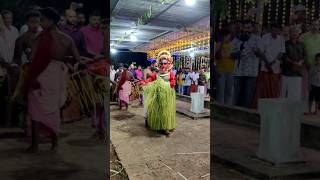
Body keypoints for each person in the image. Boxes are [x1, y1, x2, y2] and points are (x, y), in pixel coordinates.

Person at [26, 7, 80, 153]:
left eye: (42, 20)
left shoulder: (40, 37)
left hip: (42, 75)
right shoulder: (66, 39)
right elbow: (78, 59)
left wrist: (30, 76)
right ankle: (53, 144)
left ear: (51, 21)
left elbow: (32, 58)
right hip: (56, 76)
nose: (40, 23)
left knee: (37, 111)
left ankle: (36, 145)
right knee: (53, 111)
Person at [139, 50, 176, 136]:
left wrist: (166, 84)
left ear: (168, 64)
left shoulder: (170, 74)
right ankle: (154, 123)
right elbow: (150, 79)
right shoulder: (156, 73)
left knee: (165, 111)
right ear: (159, 64)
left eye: (165, 63)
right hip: (157, 96)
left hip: (167, 97)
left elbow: (173, 83)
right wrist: (144, 82)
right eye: (162, 63)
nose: (163, 65)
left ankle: (165, 127)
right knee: (155, 110)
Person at [253, 24, 285, 108]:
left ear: (278, 30)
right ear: (270, 29)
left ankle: (271, 107)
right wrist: (267, 63)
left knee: (273, 89)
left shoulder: (281, 39)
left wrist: (272, 62)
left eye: (276, 30)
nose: (274, 32)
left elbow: (281, 53)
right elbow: (260, 51)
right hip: (265, 68)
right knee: (262, 89)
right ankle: (260, 107)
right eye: (273, 30)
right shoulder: (265, 37)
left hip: (275, 68)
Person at [231, 20, 260, 108]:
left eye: (249, 27)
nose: (247, 30)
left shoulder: (257, 39)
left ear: (252, 28)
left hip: (251, 72)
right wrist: (238, 53)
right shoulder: (237, 39)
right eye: (245, 27)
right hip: (238, 72)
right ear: (242, 28)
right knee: (236, 97)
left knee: (248, 97)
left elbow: (261, 54)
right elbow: (231, 54)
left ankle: (244, 115)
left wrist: (257, 52)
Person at [281, 26, 306, 100]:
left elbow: (305, 55)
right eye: (292, 32)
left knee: (296, 93)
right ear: (289, 33)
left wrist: (301, 62)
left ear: (299, 34)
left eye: (296, 32)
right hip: (287, 72)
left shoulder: (302, 44)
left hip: (298, 72)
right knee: (284, 93)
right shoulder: (285, 44)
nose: (294, 33)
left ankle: (293, 110)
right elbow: (283, 56)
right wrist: (293, 63)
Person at [215, 28, 235, 105]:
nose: (226, 38)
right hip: (221, 70)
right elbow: (217, 56)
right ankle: (220, 106)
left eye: (228, 36)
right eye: (225, 36)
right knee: (221, 90)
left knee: (229, 90)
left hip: (231, 70)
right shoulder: (218, 44)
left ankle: (228, 107)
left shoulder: (233, 44)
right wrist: (220, 46)